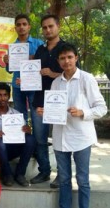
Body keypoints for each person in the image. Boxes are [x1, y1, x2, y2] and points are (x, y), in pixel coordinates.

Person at [37, 43, 107, 208]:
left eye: (69, 57)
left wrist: (83, 112)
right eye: (62, 58)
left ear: (76, 58)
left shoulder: (87, 78)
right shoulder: (56, 83)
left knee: (82, 180)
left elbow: (102, 108)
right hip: (60, 138)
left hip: (81, 137)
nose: (66, 61)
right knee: (64, 179)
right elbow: (56, 110)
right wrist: (45, 112)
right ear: (58, 61)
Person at [30, 14, 65, 187]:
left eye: (51, 26)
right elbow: (33, 71)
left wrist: (53, 74)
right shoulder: (40, 50)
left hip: (59, 102)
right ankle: (44, 171)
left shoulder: (66, 48)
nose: (48, 30)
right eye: (44, 27)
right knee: (40, 139)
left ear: (58, 26)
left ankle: (62, 174)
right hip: (39, 100)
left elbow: (74, 73)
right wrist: (27, 77)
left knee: (59, 138)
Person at [0, 83, 36, 187]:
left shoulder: (16, 114)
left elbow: (24, 133)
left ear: (9, 96)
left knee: (31, 139)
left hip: (14, 148)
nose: (2, 98)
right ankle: (7, 175)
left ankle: (20, 174)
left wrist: (27, 130)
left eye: (5, 95)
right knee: (0, 143)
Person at [4, 14, 43, 124]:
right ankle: (23, 140)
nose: (21, 27)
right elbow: (10, 70)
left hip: (34, 85)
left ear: (29, 27)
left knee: (37, 116)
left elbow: (44, 64)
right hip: (17, 86)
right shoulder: (13, 47)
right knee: (19, 116)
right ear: (15, 28)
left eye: (24, 24)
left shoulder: (39, 43)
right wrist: (7, 62)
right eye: (18, 25)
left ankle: (38, 141)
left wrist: (34, 58)